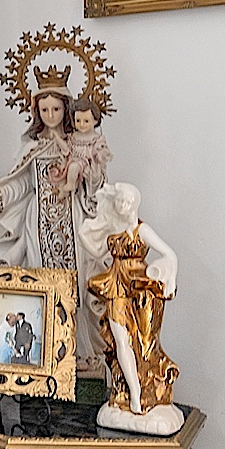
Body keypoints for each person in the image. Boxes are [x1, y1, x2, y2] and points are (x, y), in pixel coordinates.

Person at [80, 182, 183, 434]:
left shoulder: (142, 229)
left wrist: (167, 277)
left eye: (126, 202)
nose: (122, 207)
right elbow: (93, 248)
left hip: (140, 290)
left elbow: (170, 254)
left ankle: (144, 391)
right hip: (116, 287)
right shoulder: (114, 229)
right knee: (120, 340)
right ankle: (134, 394)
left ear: (135, 204)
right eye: (119, 202)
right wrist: (90, 227)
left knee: (144, 343)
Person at [0, 88, 78, 270]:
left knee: (76, 264)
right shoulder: (32, 148)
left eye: (56, 109)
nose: (50, 115)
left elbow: (92, 179)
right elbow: (23, 183)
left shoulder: (77, 145)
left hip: (72, 214)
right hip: (38, 218)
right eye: (44, 110)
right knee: (39, 268)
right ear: (37, 112)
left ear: (66, 109)